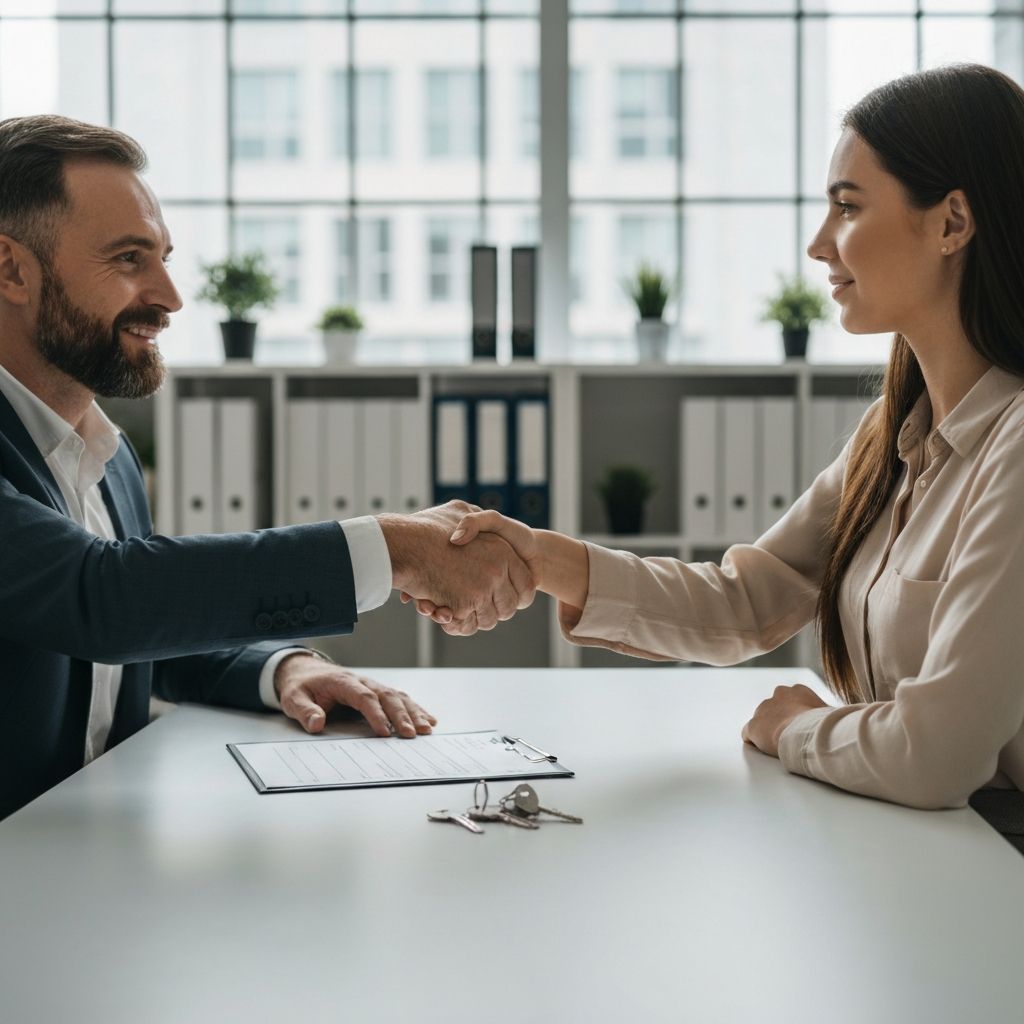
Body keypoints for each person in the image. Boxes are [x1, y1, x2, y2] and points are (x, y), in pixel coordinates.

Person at [412, 63, 1024, 838]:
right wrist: (538, 560)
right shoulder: (894, 435)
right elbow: (745, 602)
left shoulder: (1017, 446)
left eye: (847, 208)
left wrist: (793, 729)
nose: (817, 244)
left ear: (952, 223)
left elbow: (935, 757)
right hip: (917, 847)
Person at [0, 115, 535, 820]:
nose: (169, 296)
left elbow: (137, 636)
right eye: (130, 260)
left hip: (89, 867)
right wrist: (393, 548)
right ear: (11, 269)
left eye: (163, 257)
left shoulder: (106, 456)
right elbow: (101, 601)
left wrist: (285, 667)